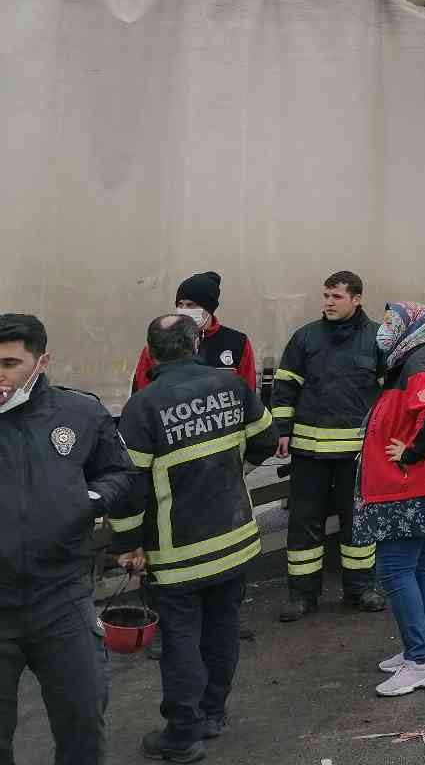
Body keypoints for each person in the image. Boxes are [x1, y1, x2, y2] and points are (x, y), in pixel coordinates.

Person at [115, 313, 278, 762]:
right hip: (235, 539)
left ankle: (183, 734)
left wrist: (128, 545)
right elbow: (266, 441)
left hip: (179, 553)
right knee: (222, 630)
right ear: (196, 343)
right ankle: (212, 713)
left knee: (181, 640)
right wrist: (232, 474)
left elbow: (129, 489)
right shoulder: (231, 386)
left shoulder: (143, 407)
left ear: (151, 351)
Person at [1, 313, 140, 765]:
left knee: (82, 722)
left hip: (60, 597)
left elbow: (120, 472)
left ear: (42, 361)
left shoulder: (79, 413)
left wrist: (90, 499)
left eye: (8, 364)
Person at [350, 303, 425, 698]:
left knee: (395, 570)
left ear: (410, 327)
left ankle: (418, 661)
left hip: (410, 488)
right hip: (424, 486)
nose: (382, 330)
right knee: (423, 564)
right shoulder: (422, 356)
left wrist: (411, 452)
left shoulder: (418, 363)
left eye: (389, 323)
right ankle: (424, 651)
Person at [272, 271, 386, 620]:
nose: (328, 303)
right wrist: (281, 429)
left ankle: (360, 589)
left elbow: (390, 395)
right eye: (326, 296)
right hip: (309, 454)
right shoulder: (306, 338)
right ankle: (302, 596)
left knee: (358, 523)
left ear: (356, 299)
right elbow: (284, 386)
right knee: (305, 523)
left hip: (355, 454)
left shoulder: (377, 340)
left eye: (336, 297)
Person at [131, 272, 257, 395]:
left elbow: (248, 392)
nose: (184, 310)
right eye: (180, 304)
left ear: (208, 308)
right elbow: (142, 393)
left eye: (191, 305)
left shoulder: (237, 342)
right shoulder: (160, 340)